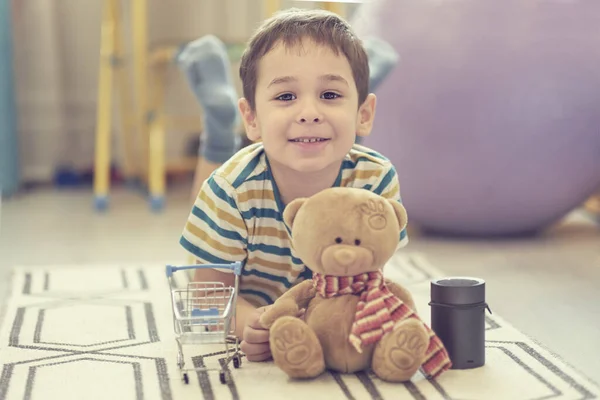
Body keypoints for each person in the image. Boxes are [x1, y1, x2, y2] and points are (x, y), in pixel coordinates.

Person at [178, 7, 408, 363]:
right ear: (251, 119)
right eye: (286, 97)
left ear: (366, 114)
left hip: (318, 304)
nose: (308, 111)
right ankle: (220, 131)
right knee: (215, 195)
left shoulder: (375, 179)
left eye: (329, 95)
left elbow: (369, 276)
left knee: (334, 135)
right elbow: (207, 295)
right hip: (256, 298)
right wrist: (247, 323)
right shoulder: (232, 190)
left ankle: (357, 84)